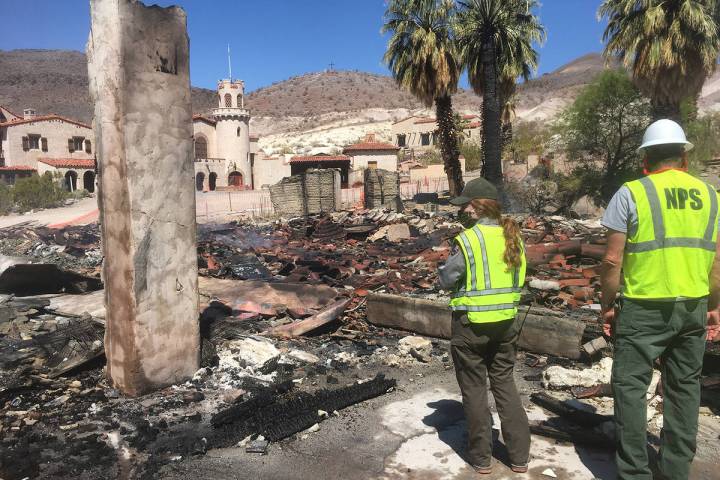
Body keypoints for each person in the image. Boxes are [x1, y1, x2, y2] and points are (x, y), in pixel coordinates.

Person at [600, 119, 720, 480]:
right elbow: (717, 261)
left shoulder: (631, 192)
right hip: (693, 306)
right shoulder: (712, 196)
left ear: (645, 159)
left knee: (631, 389)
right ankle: (675, 470)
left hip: (643, 308)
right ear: (684, 157)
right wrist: (714, 305)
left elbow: (611, 260)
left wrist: (607, 304)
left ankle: (635, 472)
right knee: (685, 390)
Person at [438, 177, 530, 474]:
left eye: (465, 206)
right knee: (505, 385)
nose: (462, 211)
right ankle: (519, 458)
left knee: (475, 390)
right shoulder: (514, 237)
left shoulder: (468, 241)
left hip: (471, 326)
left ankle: (481, 460)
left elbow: (447, 279)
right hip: (506, 324)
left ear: (476, 208)